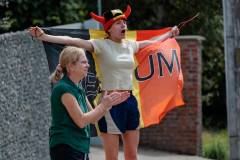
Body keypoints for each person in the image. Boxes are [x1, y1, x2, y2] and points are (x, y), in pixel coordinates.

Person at [28, 5, 179, 160]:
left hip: (130, 101)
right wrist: (44, 36)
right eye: (119, 23)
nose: (124, 25)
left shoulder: (130, 45)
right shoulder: (100, 44)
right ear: (109, 28)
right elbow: (72, 40)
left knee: (132, 156)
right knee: (112, 157)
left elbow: (152, 42)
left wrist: (169, 34)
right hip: (109, 103)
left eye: (124, 22)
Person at [48, 46, 130, 160]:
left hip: (79, 147)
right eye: (83, 62)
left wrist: (109, 104)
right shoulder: (63, 89)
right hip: (66, 147)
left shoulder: (78, 86)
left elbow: (93, 118)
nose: (88, 65)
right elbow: (81, 121)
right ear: (71, 66)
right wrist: (103, 106)